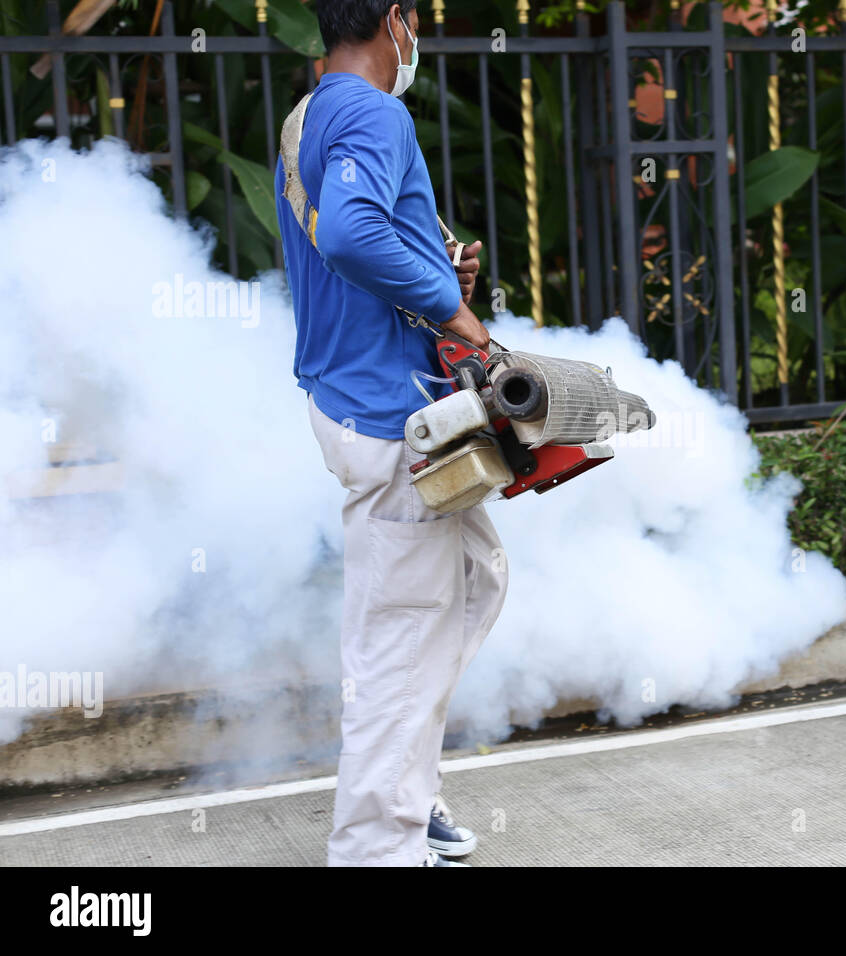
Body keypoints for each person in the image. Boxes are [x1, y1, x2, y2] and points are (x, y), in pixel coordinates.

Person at [273, 0, 506, 867]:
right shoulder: (374, 109)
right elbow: (354, 234)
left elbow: (365, 235)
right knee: (402, 635)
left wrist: (439, 266)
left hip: (363, 394)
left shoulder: (313, 113)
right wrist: (461, 315)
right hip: (389, 410)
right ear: (394, 18)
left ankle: (409, 792)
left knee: (475, 584)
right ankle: (376, 848)